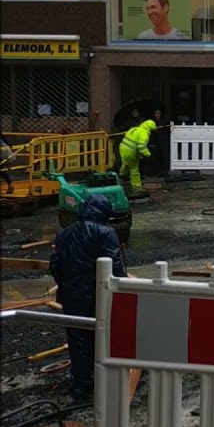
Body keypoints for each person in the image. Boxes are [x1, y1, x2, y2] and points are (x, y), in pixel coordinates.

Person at [49, 195, 126, 399]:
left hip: (71, 294)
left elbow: (55, 265)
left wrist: (66, 284)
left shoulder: (64, 233)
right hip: (97, 294)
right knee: (103, 335)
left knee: (77, 338)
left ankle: (81, 383)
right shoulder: (105, 232)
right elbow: (115, 266)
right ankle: (104, 378)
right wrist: (125, 290)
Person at [119, 119, 157, 197]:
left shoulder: (134, 129)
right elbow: (141, 146)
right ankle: (137, 188)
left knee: (126, 162)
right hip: (131, 151)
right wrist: (148, 154)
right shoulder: (144, 133)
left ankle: (122, 174)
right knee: (134, 169)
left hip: (123, 148)